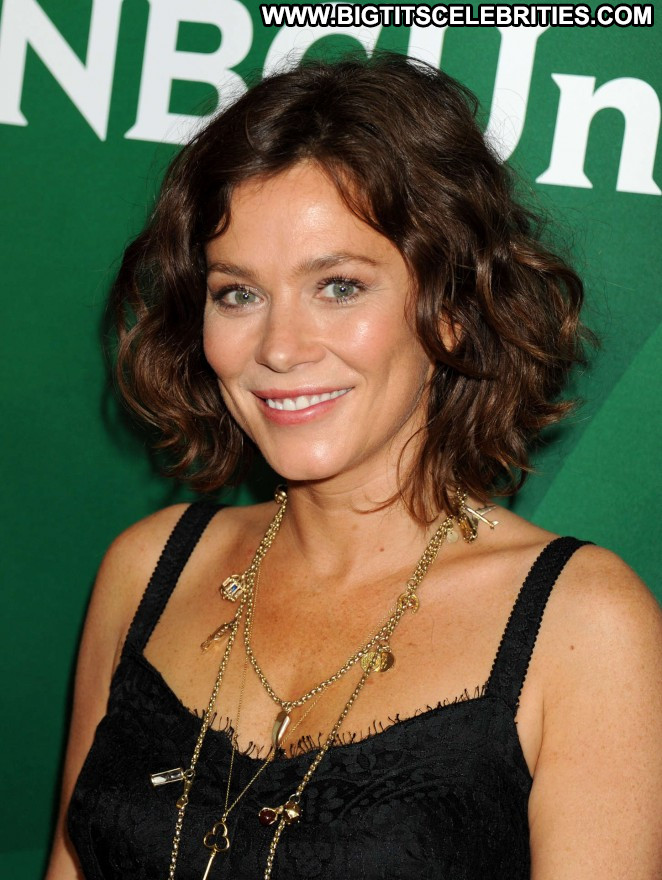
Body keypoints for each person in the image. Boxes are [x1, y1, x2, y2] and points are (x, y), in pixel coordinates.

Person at [46, 53, 662, 880]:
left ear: (450, 308)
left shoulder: (582, 624)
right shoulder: (149, 569)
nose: (279, 348)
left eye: (338, 286)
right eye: (237, 293)